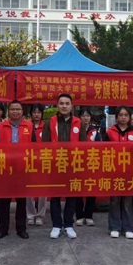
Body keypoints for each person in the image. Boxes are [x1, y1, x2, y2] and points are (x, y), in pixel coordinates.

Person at [43, 94, 86, 239]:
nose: (64, 106)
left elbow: (84, 145)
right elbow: (44, 145)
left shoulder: (78, 123)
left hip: (73, 165)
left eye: (67, 103)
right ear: (57, 105)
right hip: (55, 164)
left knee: (71, 196)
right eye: (61, 103)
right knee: (55, 196)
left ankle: (68, 225)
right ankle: (56, 225)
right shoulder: (50, 122)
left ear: (71, 106)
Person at [103, 105, 133, 239]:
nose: (123, 117)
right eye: (121, 115)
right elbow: (104, 151)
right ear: (116, 117)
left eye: (126, 115)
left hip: (130, 173)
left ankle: (128, 227)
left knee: (127, 201)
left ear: (130, 117)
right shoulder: (110, 133)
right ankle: (114, 227)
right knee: (114, 200)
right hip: (114, 171)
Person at [0, 100, 31, 239]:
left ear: (22, 111)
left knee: (21, 201)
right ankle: (3, 229)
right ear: (9, 111)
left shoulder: (29, 126)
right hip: (5, 168)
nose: (15, 111)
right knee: (4, 201)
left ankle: (21, 229)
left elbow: (34, 147)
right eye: (13, 109)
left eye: (18, 109)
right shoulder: (1, 126)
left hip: (22, 168)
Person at [75, 107, 100, 227]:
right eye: (83, 116)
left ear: (90, 118)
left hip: (91, 164)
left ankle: (89, 215)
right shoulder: (75, 130)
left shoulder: (95, 132)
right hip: (78, 163)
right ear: (80, 117)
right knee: (78, 189)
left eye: (87, 116)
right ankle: (79, 215)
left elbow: (100, 148)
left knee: (91, 189)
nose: (85, 118)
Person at [26, 103, 46, 226]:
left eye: (39, 112)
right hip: (29, 160)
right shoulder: (27, 126)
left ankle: (40, 215)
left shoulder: (46, 126)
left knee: (43, 189)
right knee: (29, 189)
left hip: (43, 160)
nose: (36, 115)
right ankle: (30, 215)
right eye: (34, 112)